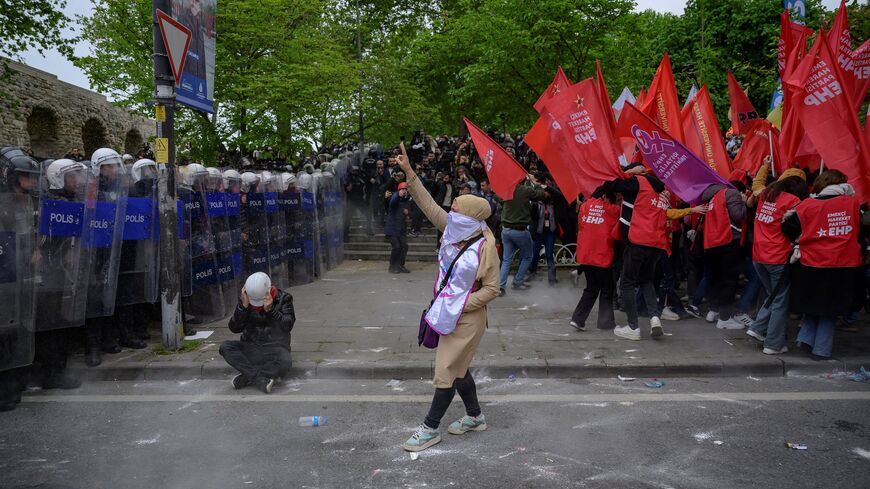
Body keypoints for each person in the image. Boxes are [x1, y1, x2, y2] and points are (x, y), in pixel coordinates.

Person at [396, 146, 500, 453]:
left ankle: (429, 429)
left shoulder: (486, 247)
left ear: (470, 215)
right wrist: (409, 172)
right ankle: (475, 416)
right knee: (459, 369)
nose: (450, 210)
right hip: (448, 313)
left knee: (445, 371)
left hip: (468, 319)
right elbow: (428, 205)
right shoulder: (454, 228)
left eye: (455, 207)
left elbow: (492, 289)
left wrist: (459, 305)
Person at [782, 170, 863, 360]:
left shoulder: (807, 205)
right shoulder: (851, 203)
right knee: (831, 310)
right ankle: (821, 350)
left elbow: (787, 227)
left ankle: (806, 340)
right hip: (843, 263)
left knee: (814, 305)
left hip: (811, 263)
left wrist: (802, 238)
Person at [746, 168, 808, 354]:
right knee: (780, 300)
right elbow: (798, 228)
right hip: (778, 257)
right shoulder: (794, 201)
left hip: (759, 255)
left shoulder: (766, 195)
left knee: (772, 295)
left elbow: (757, 185)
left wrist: (764, 167)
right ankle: (773, 344)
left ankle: (758, 329)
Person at [603, 163, 668, 341]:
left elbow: (609, 184)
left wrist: (629, 172)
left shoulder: (638, 183)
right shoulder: (662, 190)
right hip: (656, 243)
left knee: (627, 283)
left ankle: (633, 327)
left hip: (638, 239)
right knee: (646, 280)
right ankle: (654, 318)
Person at [219, 272, 295, 393]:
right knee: (225, 347)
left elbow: (287, 325)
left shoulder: (284, 298)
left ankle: (247, 376)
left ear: (269, 290)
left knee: (286, 362)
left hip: (275, 348)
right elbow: (234, 328)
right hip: (251, 346)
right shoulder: (245, 299)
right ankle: (259, 378)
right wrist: (242, 308)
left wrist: (271, 311)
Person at [699, 179, 748, 330]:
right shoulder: (731, 194)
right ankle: (725, 318)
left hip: (711, 241)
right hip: (728, 240)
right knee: (729, 280)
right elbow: (738, 215)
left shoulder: (711, 196)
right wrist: (745, 203)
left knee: (716, 279)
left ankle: (713, 311)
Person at [571, 186, 620, 331]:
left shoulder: (584, 206)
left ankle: (578, 319)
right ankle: (606, 322)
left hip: (585, 254)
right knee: (607, 288)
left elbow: (581, 226)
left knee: (591, 288)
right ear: (605, 196)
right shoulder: (612, 210)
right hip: (601, 255)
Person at [498, 175, 546, 296]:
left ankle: (501, 287)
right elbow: (540, 194)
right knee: (527, 256)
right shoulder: (524, 190)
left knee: (506, 259)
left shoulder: (506, 189)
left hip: (506, 229)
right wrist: (536, 183)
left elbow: (497, 197)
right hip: (520, 230)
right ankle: (518, 281)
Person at [385, 182, 411, 273]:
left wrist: (407, 212)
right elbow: (392, 203)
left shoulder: (405, 201)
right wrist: (397, 195)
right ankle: (392, 266)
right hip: (392, 228)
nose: (404, 192)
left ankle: (400, 265)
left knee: (404, 246)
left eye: (406, 190)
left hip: (401, 229)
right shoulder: (394, 197)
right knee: (396, 247)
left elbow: (408, 211)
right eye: (402, 190)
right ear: (399, 190)